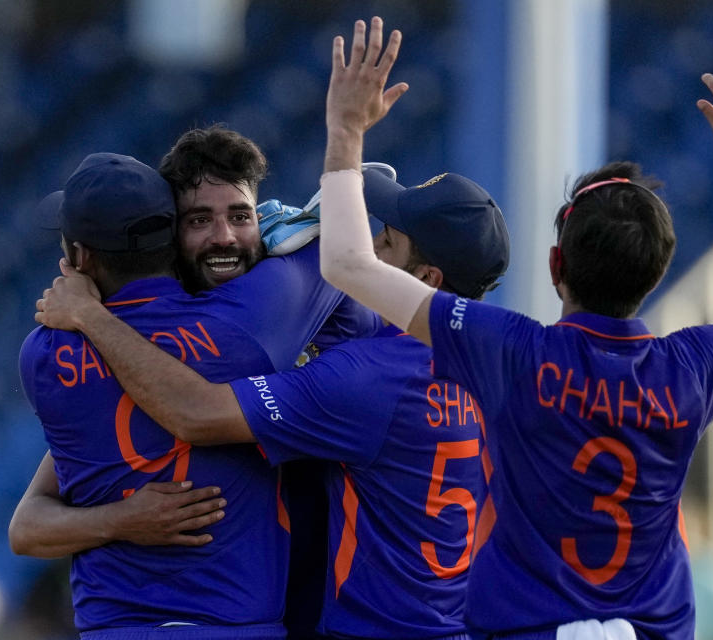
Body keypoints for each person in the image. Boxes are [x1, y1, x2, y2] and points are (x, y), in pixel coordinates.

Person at [314, 17, 713, 640]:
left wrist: (347, 130)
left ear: (555, 265)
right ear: (657, 271)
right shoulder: (695, 366)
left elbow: (347, 262)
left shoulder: (512, 352)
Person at [31, 165, 510, 640]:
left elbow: (195, 412)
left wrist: (90, 315)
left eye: (389, 240)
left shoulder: (365, 376)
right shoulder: (505, 375)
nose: (373, 244)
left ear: (426, 275)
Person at [15, 147, 362, 638]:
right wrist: (273, 228)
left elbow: (28, 524)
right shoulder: (253, 321)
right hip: (234, 626)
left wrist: (118, 520)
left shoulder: (43, 354)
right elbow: (344, 229)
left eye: (238, 217)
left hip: (113, 629)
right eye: (200, 220)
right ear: (173, 237)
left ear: (80, 257)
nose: (222, 235)